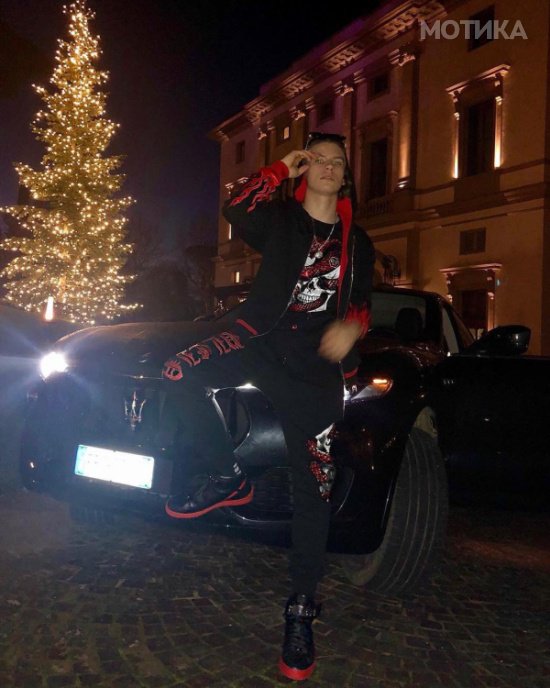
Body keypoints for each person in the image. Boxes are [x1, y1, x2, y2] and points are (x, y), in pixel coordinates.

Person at [162, 131, 374, 681]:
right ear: (306, 170)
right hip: (257, 340)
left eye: (337, 162)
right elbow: (236, 206)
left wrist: (352, 328)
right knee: (178, 372)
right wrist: (280, 166)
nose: (327, 166)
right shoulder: (280, 220)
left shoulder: (358, 242)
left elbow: (361, 304)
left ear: (345, 176)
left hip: (313, 369)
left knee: (315, 489)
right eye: (318, 159)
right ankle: (226, 475)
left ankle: (301, 611)